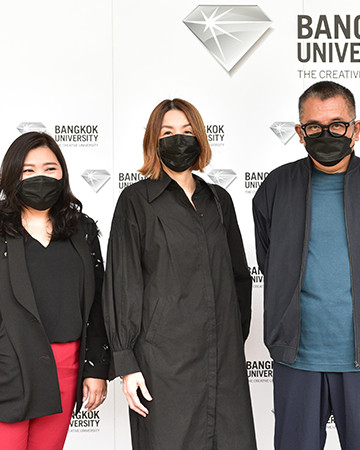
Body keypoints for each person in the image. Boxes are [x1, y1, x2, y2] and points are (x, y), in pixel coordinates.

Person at [252, 81, 360, 449]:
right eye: (314, 126)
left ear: (355, 129)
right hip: (297, 358)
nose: (326, 134)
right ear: (300, 133)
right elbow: (269, 261)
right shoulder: (276, 187)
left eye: (337, 124)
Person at [0, 132, 110, 450]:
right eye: (28, 170)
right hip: (4, 367)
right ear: (12, 176)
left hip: (65, 368)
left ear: (62, 173)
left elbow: (98, 302)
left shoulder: (82, 228)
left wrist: (95, 368)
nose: (40, 177)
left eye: (49, 168)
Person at [103, 98, 256, 449]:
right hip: (163, 364)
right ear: (153, 141)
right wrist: (126, 361)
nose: (179, 139)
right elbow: (123, 283)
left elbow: (238, 276)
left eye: (187, 131)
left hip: (223, 362)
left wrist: (231, 337)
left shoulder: (218, 200)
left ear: (200, 137)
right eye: (167, 133)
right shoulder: (136, 201)